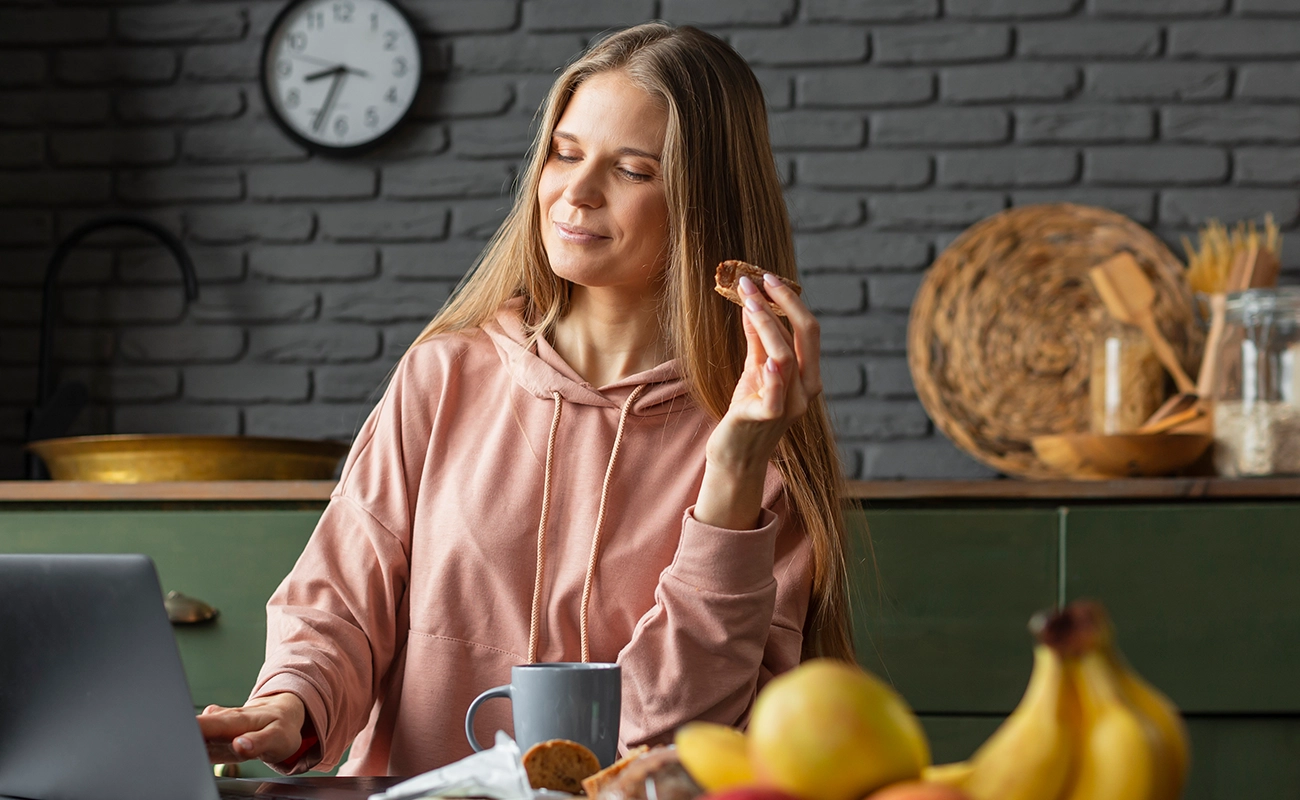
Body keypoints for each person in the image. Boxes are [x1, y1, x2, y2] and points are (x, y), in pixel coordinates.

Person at [198, 22, 852, 776]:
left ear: (704, 203)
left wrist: (733, 475)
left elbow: (679, 735)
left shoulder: (761, 437)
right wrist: (289, 704)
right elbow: (340, 604)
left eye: (633, 170)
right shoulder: (441, 375)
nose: (576, 191)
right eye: (565, 154)